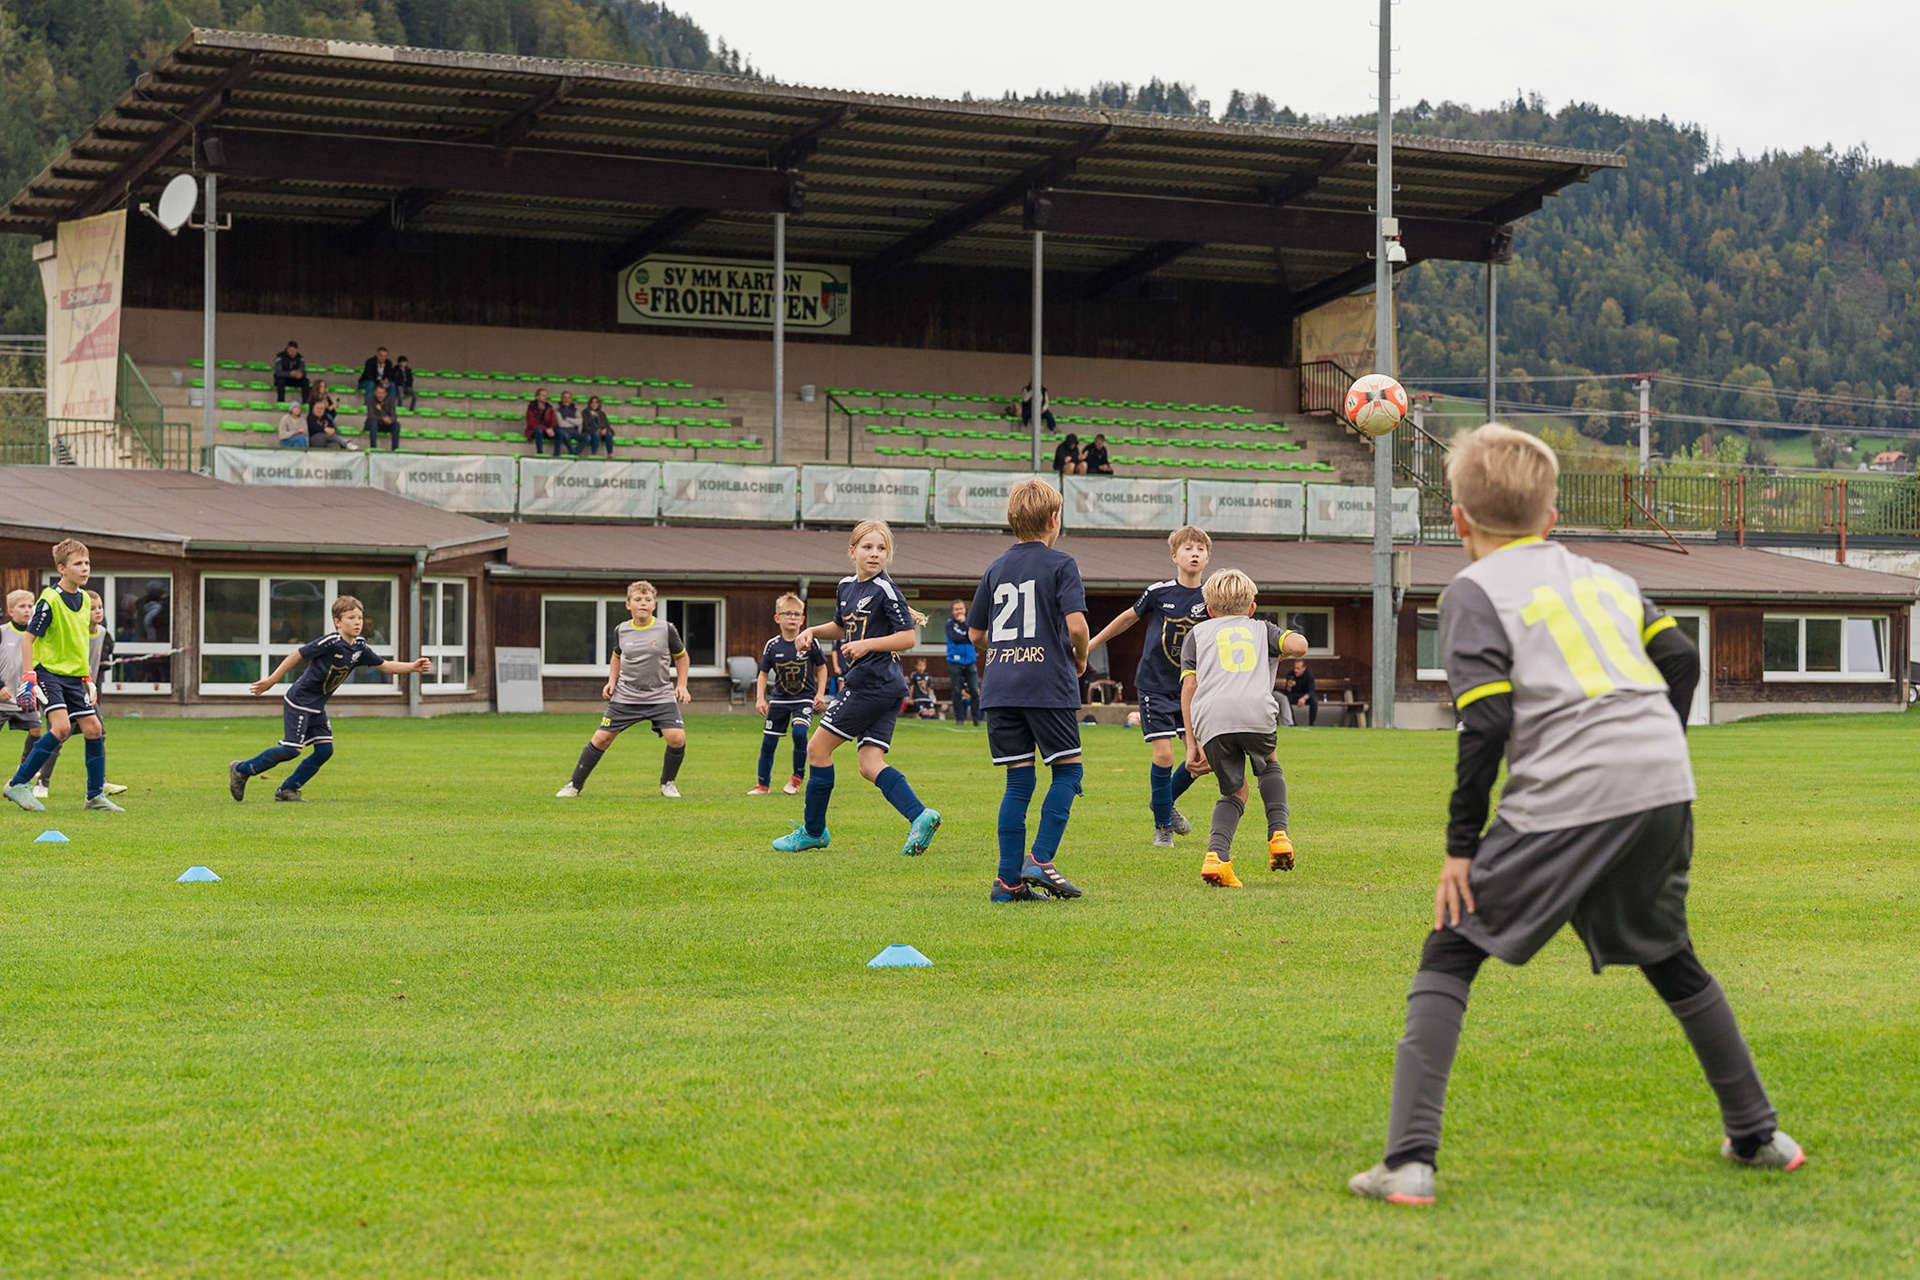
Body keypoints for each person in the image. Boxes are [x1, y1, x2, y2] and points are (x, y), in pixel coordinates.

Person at [1348, 424, 1803, 1207]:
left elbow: (1487, 721)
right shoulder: (1607, 578)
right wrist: (1653, 739)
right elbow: (1681, 659)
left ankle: (1409, 1161)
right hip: (1662, 782)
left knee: (1451, 948)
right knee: (1670, 954)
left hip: (1572, 789)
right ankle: (1760, 1135)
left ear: (1457, 519)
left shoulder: (1472, 593)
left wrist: (1461, 848)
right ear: (1551, 517)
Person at [772, 520, 941, 857]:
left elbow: (907, 637)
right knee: (869, 763)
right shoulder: (846, 587)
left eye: (881, 548)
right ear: (852, 551)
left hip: (871, 684)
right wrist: (813, 631)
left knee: (817, 750)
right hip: (885, 687)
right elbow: (842, 626)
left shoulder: (885, 589)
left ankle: (813, 832)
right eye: (867, 547)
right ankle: (920, 815)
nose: (875, 553)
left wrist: (867, 645)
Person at [968, 478, 1090, 902]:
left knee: (1018, 782)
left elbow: (976, 634)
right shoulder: (1062, 564)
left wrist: (1006, 650)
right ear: (1054, 519)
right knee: (1068, 771)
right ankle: (1040, 858)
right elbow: (1077, 627)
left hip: (1000, 686)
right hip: (1045, 683)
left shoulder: (995, 568)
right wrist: (1079, 657)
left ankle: (1007, 884)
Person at [228, 595, 431, 802]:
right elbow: (296, 655)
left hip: (317, 706)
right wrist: (271, 681)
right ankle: (241, 770)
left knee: (324, 750)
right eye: (351, 618)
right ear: (337, 622)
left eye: (360, 618)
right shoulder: (329, 642)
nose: (357, 622)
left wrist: (413, 667)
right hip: (299, 701)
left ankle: (287, 789)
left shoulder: (359, 647)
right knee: (291, 749)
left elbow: (385, 666)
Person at [1178, 569, 1309, 889]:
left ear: (1210, 610)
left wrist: (1191, 744)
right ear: (1252, 607)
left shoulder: (1197, 635)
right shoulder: (1262, 629)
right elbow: (1299, 646)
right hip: (1255, 711)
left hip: (1211, 717)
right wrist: (1287, 643)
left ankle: (1216, 856)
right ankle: (1279, 835)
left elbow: (1189, 687)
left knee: (1235, 791)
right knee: (1268, 764)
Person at [1085, 525, 1212, 847]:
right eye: (1188, 548)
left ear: (1208, 557)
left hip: (1192, 688)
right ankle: (1163, 826)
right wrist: (1092, 643)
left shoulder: (1212, 597)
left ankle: (1162, 802)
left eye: (1200, 549)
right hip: (1154, 685)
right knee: (1165, 755)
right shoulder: (1159, 592)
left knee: (1203, 758)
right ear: (1174, 556)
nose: (1194, 554)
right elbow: (1127, 618)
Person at [3, 540, 122, 812]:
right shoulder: (49, 600)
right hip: (49, 674)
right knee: (61, 728)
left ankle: (95, 796)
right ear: (62, 568)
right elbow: (28, 639)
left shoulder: (84, 600)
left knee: (94, 729)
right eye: (78, 564)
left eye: (87, 563)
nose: (85, 568)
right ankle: (18, 783)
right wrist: (29, 676)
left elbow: (79, 642)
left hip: (74, 676)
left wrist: (87, 677)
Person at [555, 581, 691, 800]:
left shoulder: (667, 629)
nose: (643, 603)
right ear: (629, 605)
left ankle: (668, 783)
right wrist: (612, 681)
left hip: (660, 694)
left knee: (677, 738)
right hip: (626, 695)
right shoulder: (621, 630)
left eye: (647, 600)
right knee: (601, 739)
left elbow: (682, 657)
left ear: (654, 605)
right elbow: (616, 655)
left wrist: (682, 685)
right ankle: (574, 785)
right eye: (638, 599)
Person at [750, 592, 826, 796]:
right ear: (777, 618)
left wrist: (820, 694)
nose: (792, 618)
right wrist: (760, 698)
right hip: (780, 699)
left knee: (799, 733)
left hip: (804, 699)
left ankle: (797, 778)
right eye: (787, 614)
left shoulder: (810, 643)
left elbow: (822, 668)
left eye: (796, 614)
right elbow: (763, 673)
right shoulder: (772, 645)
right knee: (768, 742)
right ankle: (763, 785)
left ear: (803, 619)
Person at [943, 599, 980, 725]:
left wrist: (964, 624)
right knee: (957, 690)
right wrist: (966, 635)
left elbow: (974, 637)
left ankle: (977, 719)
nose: (959, 611)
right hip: (954, 660)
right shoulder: (949, 624)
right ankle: (959, 719)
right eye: (956, 609)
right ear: (952, 611)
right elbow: (956, 638)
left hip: (970, 660)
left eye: (961, 609)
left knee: (974, 689)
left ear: (965, 609)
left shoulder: (971, 622)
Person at [307, 384, 350, 450]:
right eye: (318, 408)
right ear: (313, 409)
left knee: (334, 445)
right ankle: (346, 443)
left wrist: (331, 430)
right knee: (330, 436)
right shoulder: (311, 417)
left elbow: (332, 427)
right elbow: (316, 428)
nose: (319, 410)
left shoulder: (326, 417)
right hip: (315, 439)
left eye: (322, 408)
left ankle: (337, 453)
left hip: (328, 438)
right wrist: (325, 429)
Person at [1281, 657, 1317, 726]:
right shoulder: (1291, 674)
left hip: (1305, 695)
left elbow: (1312, 690)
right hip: (1295, 695)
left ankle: (1311, 723)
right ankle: (1292, 723)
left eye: (1298, 669)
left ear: (1303, 668)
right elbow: (1287, 692)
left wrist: (1304, 698)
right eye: (1295, 668)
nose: (1295, 670)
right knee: (1286, 700)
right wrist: (1289, 687)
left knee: (1314, 700)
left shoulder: (1308, 675)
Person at [365, 384, 400, 451]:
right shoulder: (370, 400)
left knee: (396, 425)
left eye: (382, 393)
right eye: (378, 393)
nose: (380, 395)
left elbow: (394, 416)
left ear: (386, 394)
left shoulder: (390, 401)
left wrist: (390, 420)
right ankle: (373, 447)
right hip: (373, 424)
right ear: (375, 393)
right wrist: (382, 418)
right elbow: (371, 416)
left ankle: (395, 449)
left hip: (384, 424)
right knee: (373, 423)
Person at [524, 389, 560, 455]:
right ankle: (540, 452)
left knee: (559, 433)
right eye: (543, 395)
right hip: (534, 431)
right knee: (539, 431)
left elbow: (554, 421)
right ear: (537, 397)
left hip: (547, 431)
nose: (545, 397)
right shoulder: (532, 407)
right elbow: (531, 424)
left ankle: (556, 454)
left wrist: (551, 428)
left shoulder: (549, 407)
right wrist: (545, 429)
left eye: (546, 395)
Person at [554, 391, 585, 456]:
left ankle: (575, 452)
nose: (567, 400)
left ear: (571, 399)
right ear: (561, 399)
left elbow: (580, 422)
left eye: (568, 398)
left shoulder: (575, 410)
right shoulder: (557, 410)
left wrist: (567, 419)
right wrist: (574, 421)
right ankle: (573, 452)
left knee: (587, 437)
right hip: (563, 430)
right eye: (565, 398)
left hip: (574, 431)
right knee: (565, 435)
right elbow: (561, 423)